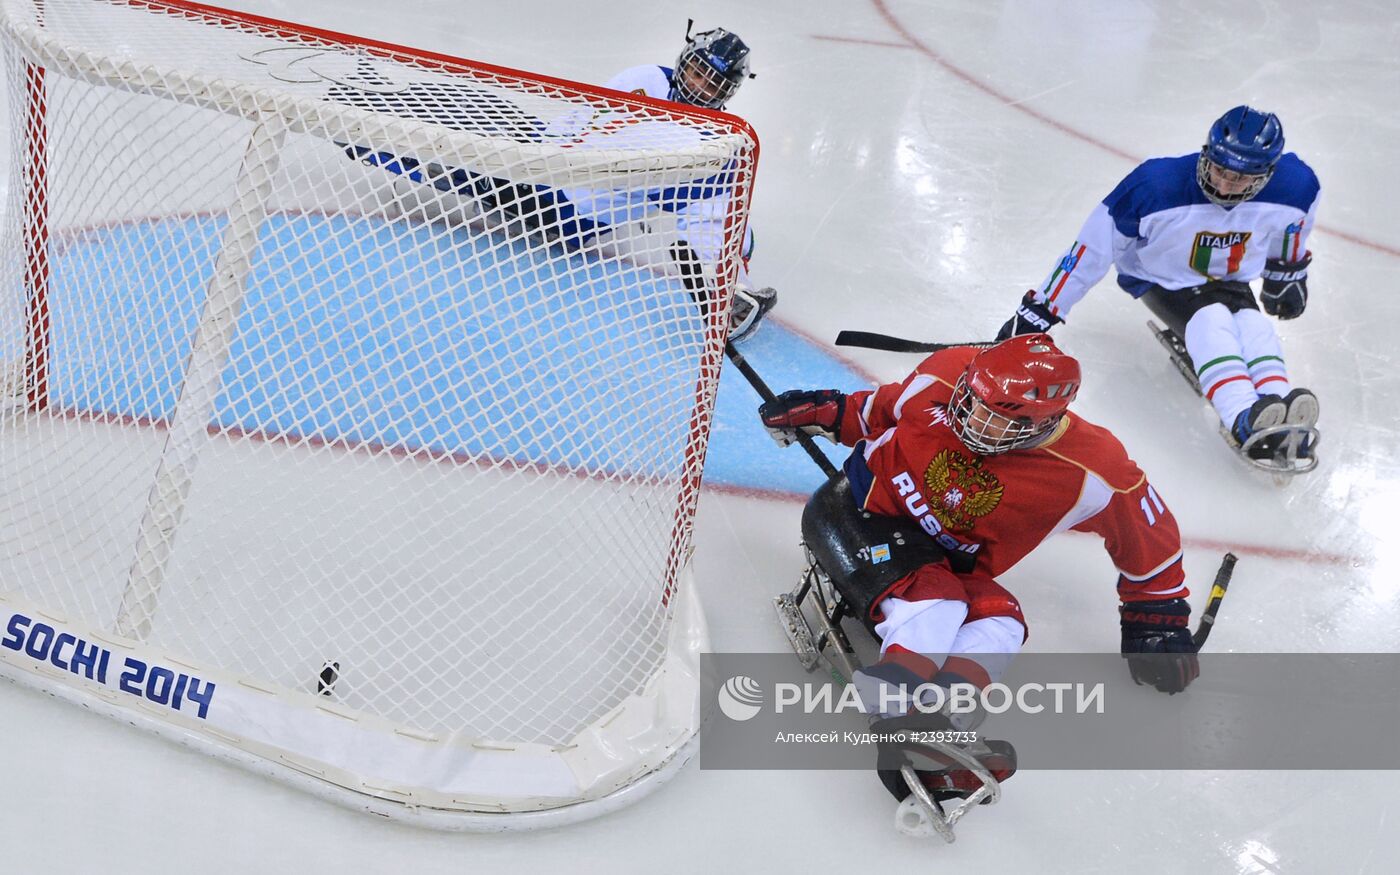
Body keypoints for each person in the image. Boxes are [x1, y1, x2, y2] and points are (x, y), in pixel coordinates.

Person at [760, 334, 1198, 804]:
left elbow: (1147, 530)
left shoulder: (1090, 468)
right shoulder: (947, 372)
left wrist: (1158, 615)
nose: (970, 420)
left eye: (995, 419)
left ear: (1043, 422)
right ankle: (894, 714)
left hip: (936, 563)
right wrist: (830, 411)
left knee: (1003, 620)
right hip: (856, 514)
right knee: (937, 600)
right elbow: (883, 409)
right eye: (970, 402)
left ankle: (935, 723)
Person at [336, 23, 775, 342]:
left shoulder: (708, 147)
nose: (697, 86)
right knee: (483, 106)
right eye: (697, 71)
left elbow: (722, 211)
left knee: (463, 162)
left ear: (726, 93)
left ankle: (360, 138)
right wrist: (536, 151)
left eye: (711, 82)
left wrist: (728, 286)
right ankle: (381, 103)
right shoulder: (648, 79)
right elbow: (580, 120)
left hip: (565, 213)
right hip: (551, 160)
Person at [995, 106, 1320, 463]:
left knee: (1254, 325)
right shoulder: (1154, 186)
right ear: (1206, 155)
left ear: (1267, 175)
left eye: (1242, 180)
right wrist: (1043, 309)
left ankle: (1280, 406)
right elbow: (1092, 249)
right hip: (1159, 279)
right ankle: (1242, 416)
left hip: (1230, 281)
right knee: (1212, 322)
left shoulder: (1296, 187)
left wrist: (1286, 275)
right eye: (1221, 171)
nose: (1226, 185)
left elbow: (1292, 232)